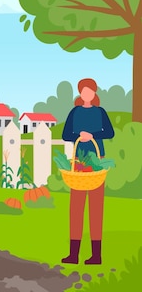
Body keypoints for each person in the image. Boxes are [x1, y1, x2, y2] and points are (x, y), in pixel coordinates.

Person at [61, 78, 114, 265]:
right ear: (80, 93)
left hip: (97, 165)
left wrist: (93, 136)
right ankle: (73, 254)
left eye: (89, 91)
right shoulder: (74, 113)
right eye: (83, 91)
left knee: (96, 209)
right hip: (78, 164)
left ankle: (96, 255)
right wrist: (79, 137)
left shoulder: (100, 113)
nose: (86, 94)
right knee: (76, 209)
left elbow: (110, 132)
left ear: (94, 93)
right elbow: (65, 135)